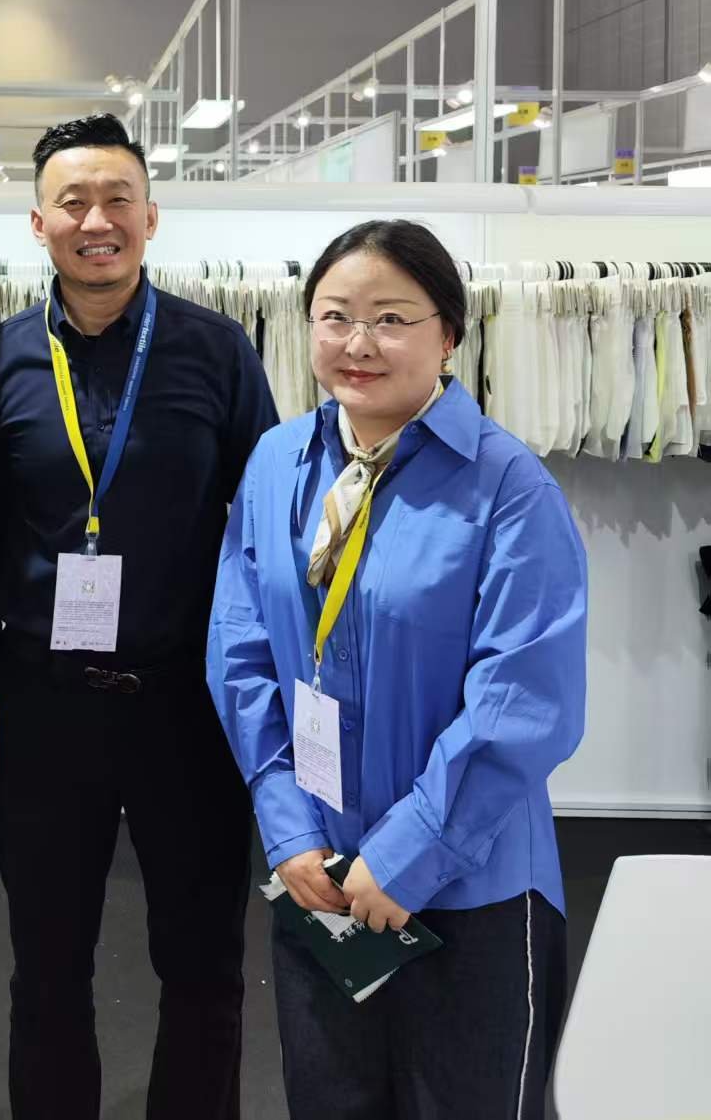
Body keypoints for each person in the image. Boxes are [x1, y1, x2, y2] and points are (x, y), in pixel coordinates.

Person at [207, 220, 588, 1120]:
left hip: (471, 885)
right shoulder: (276, 463)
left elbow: (521, 701)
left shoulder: (507, 487)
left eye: (389, 318)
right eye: (335, 316)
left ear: (447, 333)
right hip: (320, 871)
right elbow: (240, 648)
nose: (358, 343)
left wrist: (405, 855)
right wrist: (287, 826)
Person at [0, 112, 278, 1120]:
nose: (97, 221)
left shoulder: (217, 351)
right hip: (42, 702)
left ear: (150, 215)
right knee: (47, 965)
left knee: (203, 963)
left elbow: (263, 532)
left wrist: (264, 694)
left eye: (117, 200)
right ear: (38, 223)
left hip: (187, 704)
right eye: (74, 202)